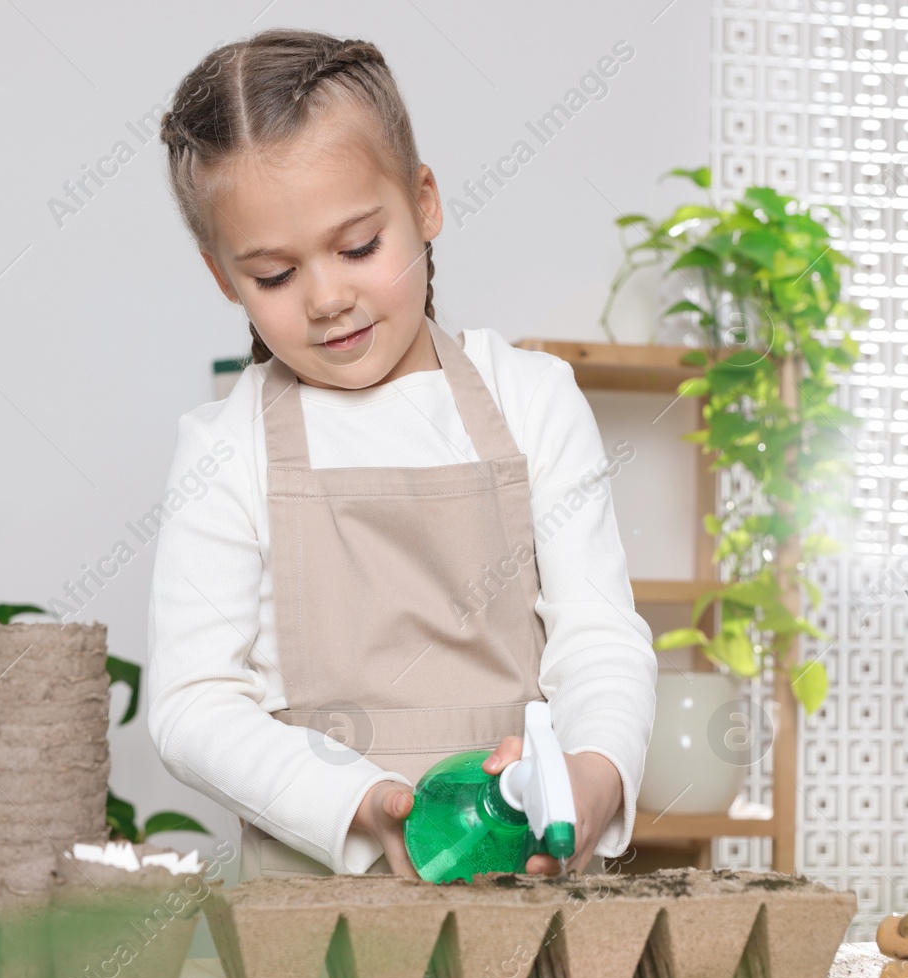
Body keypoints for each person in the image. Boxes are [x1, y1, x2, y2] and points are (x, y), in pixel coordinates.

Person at [143, 29, 657, 881]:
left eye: (357, 248)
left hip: (529, 893)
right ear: (223, 276)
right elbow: (193, 705)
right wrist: (353, 798)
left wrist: (594, 773)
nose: (326, 297)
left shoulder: (533, 401)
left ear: (423, 203)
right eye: (273, 275)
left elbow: (600, 638)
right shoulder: (225, 450)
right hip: (320, 919)